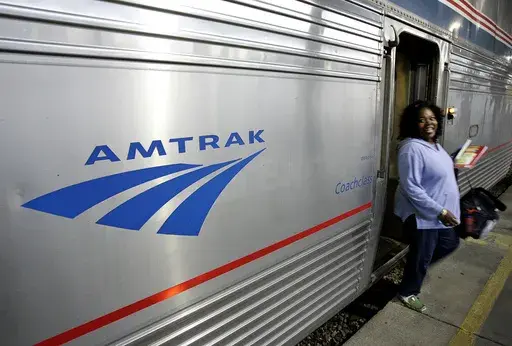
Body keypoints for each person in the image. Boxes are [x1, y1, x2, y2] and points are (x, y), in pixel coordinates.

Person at [394, 100, 461, 312]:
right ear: (413, 124)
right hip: (423, 214)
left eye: (431, 118)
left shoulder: (435, 145)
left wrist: (456, 162)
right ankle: (407, 292)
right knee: (423, 254)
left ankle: (416, 265)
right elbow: (411, 187)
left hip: (436, 212)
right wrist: (439, 211)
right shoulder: (411, 148)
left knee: (449, 243)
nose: (428, 123)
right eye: (421, 120)